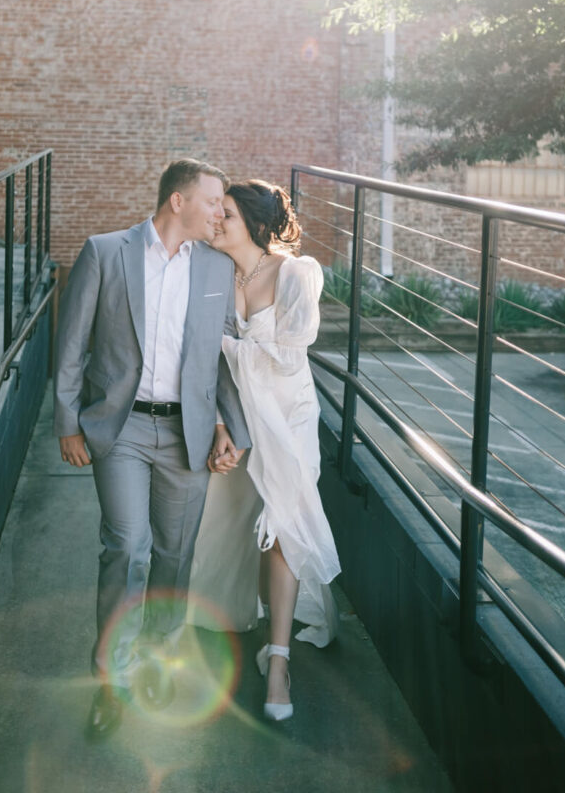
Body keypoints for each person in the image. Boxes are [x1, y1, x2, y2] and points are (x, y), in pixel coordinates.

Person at [53, 158, 250, 739]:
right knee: (127, 547)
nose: (221, 213)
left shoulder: (216, 268)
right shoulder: (106, 252)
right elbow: (70, 347)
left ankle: (159, 655)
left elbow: (222, 361)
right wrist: (68, 422)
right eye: (214, 202)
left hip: (188, 433)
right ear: (178, 202)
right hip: (122, 430)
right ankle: (111, 678)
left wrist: (228, 429)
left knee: (174, 553)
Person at [189, 179, 340, 722]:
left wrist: (226, 343)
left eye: (225, 213)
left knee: (281, 527)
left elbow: (286, 354)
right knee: (234, 525)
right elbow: (199, 364)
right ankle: (246, 621)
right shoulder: (209, 277)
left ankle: (278, 662)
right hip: (238, 416)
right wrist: (220, 425)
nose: (216, 222)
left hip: (288, 418)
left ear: (253, 223)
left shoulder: (296, 273)